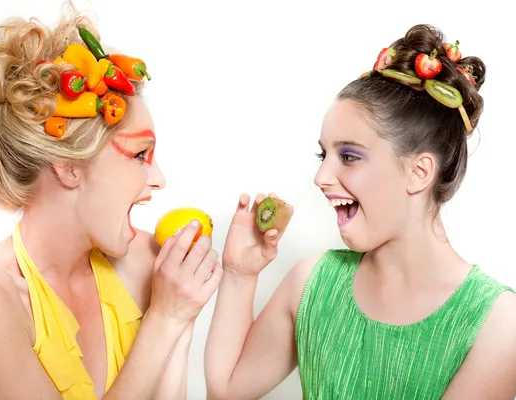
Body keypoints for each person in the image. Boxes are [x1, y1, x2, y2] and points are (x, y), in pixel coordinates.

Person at [204, 24, 516, 399]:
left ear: (419, 173)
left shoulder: (498, 324)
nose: (321, 177)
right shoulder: (312, 283)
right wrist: (239, 274)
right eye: (324, 155)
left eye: (349, 156)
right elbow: (225, 391)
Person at [0, 5, 222, 400]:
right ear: (68, 168)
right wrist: (165, 318)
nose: (158, 179)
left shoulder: (145, 262)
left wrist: (184, 317)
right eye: (140, 155)